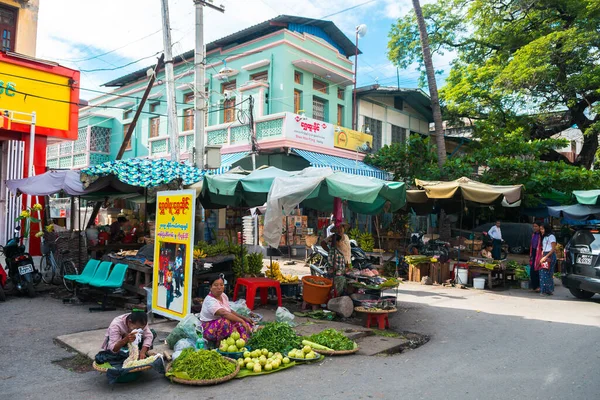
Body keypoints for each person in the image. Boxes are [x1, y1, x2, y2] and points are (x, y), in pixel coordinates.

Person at [199, 274, 253, 343]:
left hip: (221, 323)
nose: (219, 287)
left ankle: (241, 340)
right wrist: (241, 321)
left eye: (221, 285)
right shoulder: (210, 301)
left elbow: (229, 311)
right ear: (210, 287)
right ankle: (219, 343)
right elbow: (224, 313)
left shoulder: (223, 296)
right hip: (209, 328)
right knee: (225, 321)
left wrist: (244, 318)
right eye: (216, 285)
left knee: (244, 325)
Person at [322, 222, 351, 296]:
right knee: (338, 281)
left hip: (347, 261)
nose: (340, 230)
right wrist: (329, 251)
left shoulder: (346, 237)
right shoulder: (333, 237)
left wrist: (349, 265)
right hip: (337, 263)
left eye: (341, 228)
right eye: (338, 228)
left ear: (344, 228)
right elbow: (323, 243)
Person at [538, 224, 557, 296]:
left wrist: (545, 257)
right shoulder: (544, 237)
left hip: (550, 255)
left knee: (548, 273)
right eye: (540, 229)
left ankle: (548, 290)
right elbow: (543, 247)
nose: (541, 231)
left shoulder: (551, 236)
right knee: (543, 272)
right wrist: (543, 254)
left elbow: (553, 249)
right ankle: (544, 290)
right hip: (545, 255)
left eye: (542, 229)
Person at [529, 222, 542, 292]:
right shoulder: (533, 235)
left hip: (539, 254)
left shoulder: (541, 235)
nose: (534, 228)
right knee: (532, 270)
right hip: (533, 253)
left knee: (537, 270)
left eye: (536, 226)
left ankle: (539, 286)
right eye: (533, 226)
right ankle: (534, 286)